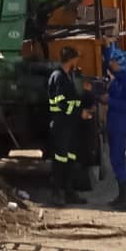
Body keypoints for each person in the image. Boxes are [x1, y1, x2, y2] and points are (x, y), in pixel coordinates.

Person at [48, 46, 88, 206]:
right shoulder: (58, 77)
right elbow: (61, 102)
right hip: (61, 124)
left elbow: (72, 100)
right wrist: (79, 113)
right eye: (76, 58)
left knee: (70, 158)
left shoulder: (68, 75)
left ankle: (70, 192)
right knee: (60, 160)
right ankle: (56, 193)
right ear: (71, 59)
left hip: (70, 124)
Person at [101, 45, 126, 211]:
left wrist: (109, 100)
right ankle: (122, 195)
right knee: (115, 161)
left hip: (121, 125)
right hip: (114, 124)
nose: (111, 65)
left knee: (118, 160)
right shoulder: (118, 80)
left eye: (113, 62)